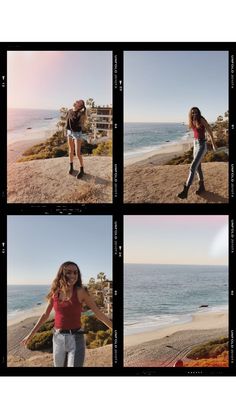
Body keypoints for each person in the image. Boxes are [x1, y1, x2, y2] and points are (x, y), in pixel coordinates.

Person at [20, 261, 112, 367]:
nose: (72, 275)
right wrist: (30, 335)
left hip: (76, 339)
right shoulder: (55, 293)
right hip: (58, 338)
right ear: (61, 274)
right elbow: (45, 315)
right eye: (68, 272)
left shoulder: (81, 292)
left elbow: (99, 314)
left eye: (75, 273)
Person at [177, 107, 216, 199]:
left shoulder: (201, 119)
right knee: (198, 167)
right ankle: (202, 186)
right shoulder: (192, 121)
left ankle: (185, 190)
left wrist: (213, 144)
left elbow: (209, 130)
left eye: (196, 112)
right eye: (192, 112)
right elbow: (195, 133)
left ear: (198, 113)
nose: (194, 114)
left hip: (202, 145)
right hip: (195, 144)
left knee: (193, 166)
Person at [66, 100, 87, 179]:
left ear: (80, 106)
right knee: (71, 150)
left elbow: (79, 123)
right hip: (69, 132)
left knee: (78, 153)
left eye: (79, 102)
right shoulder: (69, 111)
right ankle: (71, 166)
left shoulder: (80, 114)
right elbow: (67, 121)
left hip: (77, 134)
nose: (76, 101)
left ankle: (82, 169)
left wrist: (81, 110)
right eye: (77, 100)